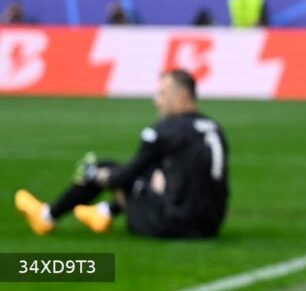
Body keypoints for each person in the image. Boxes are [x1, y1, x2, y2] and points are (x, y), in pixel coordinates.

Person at [15, 69, 229, 239]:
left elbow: (124, 177)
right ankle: (103, 213)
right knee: (149, 174)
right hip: (210, 224)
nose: (157, 101)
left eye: (162, 94)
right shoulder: (213, 127)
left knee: (108, 169)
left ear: (182, 98)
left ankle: (46, 217)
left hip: (174, 225)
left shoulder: (163, 132)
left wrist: (94, 175)